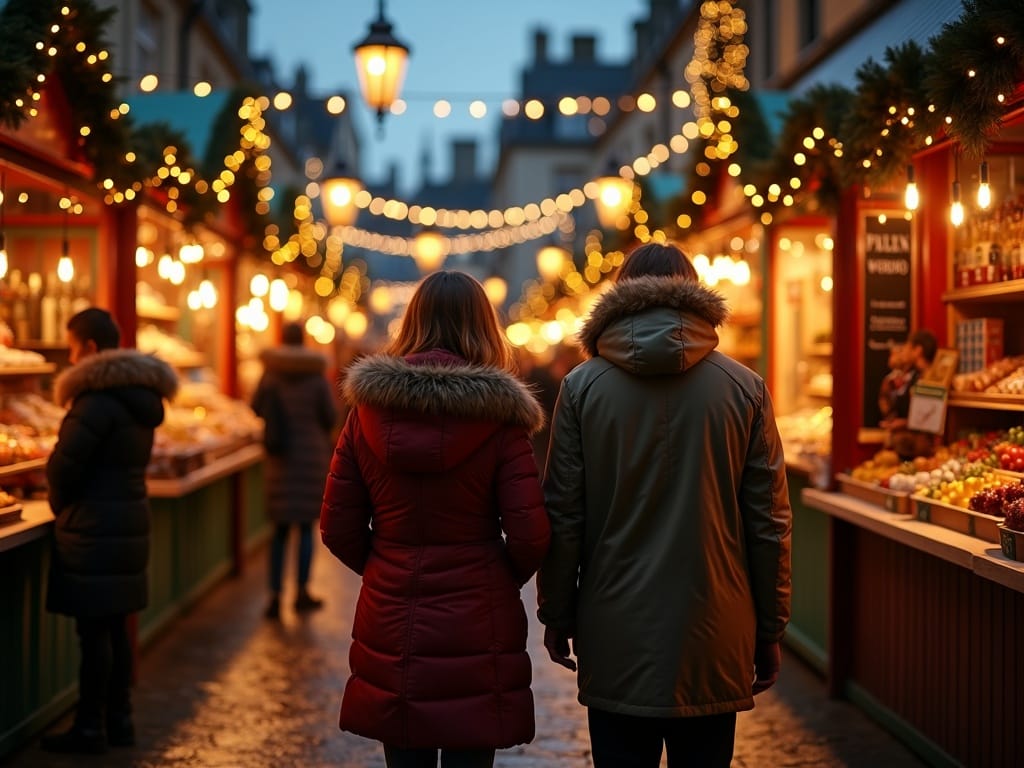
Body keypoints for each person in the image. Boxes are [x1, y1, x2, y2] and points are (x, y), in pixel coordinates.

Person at [538, 242, 792, 768]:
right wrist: (770, 627)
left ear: (619, 297)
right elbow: (767, 522)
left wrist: (557, 612)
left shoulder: (582, 389)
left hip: (615, 629)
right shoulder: (745, 389)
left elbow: (563, 514)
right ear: (694, 293)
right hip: (714, 628)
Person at [320, 270, 550, 768]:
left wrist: (386, 564)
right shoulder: (501, 417)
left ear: (413, 322)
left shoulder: (367, 413)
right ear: (484, 327)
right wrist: (493, 574)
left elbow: (337, 525)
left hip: (392, 612)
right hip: (477, 615)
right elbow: (531, 533)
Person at [40, 308, 178, 754]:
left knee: (94, 633)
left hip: (95, 528)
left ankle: (89, 727)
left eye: (72, 346)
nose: (69, 355)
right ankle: (120, 721)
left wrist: (61, 509)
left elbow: (64, 467)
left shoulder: (94, 402)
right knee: (116, 629)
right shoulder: (139, 399)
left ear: (91, 349)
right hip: (129, 524)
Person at [251, 321, 337, 619]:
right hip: (310, 459)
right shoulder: (316, 376)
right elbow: (330, 416)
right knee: (304, 528)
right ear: (304, 340)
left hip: (279, 458)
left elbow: (255, 406)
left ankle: (274, 596)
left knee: (279, 530)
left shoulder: (270, 373)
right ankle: (301, 592)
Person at [880, 329, 938, 460]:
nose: (904, 350)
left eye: (907, 346)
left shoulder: (931, 378)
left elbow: (929, 418)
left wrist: (903, 423)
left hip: (921, 451)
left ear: (918, 350)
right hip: (907, 447)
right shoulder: (913, 375)